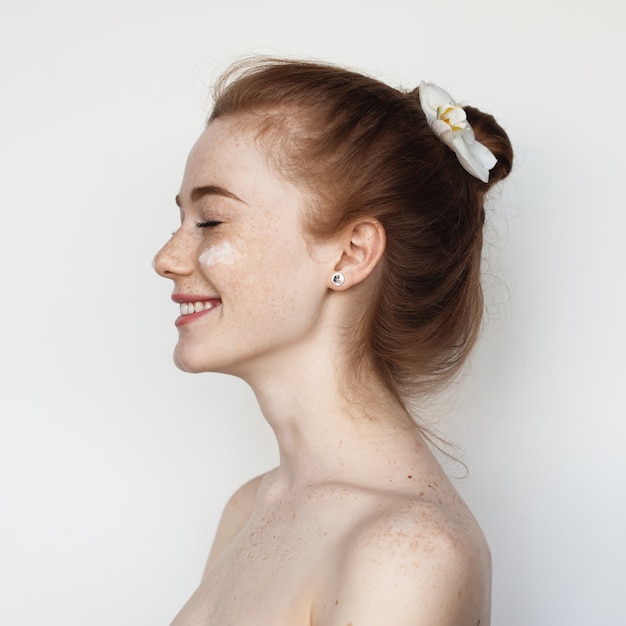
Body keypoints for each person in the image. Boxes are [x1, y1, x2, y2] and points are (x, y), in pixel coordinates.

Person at [154, 58, 513, 626]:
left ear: (350, 254)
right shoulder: (250, 509)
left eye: (212, 221)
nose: (166, 260)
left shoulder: (405, 553)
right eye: (181, 219)